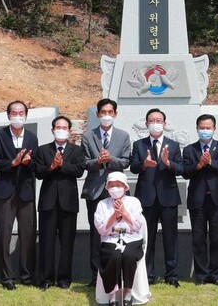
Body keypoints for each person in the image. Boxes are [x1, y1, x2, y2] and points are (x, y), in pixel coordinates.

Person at [0, 100, 39, 290]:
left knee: (28, 234)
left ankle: (27, 275)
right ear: (8, 115)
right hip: (5, 191)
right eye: (14, 113)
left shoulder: (32, 137)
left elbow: (36, 165)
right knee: (4, 234)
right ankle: (6, 277)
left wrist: (27, 162)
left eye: (21, 113)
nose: (17, 116)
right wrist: (13, 163)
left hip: (25, 192)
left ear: (26, 115)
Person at [81, 98, 132, 286]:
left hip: (116, 191)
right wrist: (98, 162)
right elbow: (84, 162)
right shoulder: (88, 136)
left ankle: (116, 273)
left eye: (110, 112)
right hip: (94, 190)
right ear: (97, 114)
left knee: (117, 232)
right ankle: (96, 277)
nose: (106, 116)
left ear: (115, 114)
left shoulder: (123, 136)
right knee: (97, 233)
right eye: (103, 112)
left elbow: (126, 161)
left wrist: (110, 159)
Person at [130, 108, 183, 287]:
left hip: (168, 197)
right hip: (146, 198)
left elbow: (181, 169)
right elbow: (133, 167)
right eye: (152, 120)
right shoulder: (139, 144)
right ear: (146, 124)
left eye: (159, 120)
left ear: (164, 124)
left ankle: (172, 276)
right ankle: (148, 275)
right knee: (147, 238)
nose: (155, 123)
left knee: (170, 238)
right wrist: (144, 164)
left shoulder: (173, 145)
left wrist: (168, 163)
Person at [35, 115, 86, 291]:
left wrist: (62, 165)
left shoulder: (77, 151)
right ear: (52, 130)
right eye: (58, 127)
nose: (61, 130)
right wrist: (51, 167)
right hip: (48, 202)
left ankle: (64, 279)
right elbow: (38, 172)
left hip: (68, 202)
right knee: (46, 242)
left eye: (65, 128)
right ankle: (46, 279)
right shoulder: (43, 150)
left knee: (67, 242)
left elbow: (79, 171)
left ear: (70, 131)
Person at [183, 114, 218, 285]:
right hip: (197, 199)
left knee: (217, 238)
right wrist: (199, 165)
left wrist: (211, 162)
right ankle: (202, 276)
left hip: (217, 199)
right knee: (198, 238)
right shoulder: (189, 149)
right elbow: (185, 171)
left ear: (214, 129)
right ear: (197, 128)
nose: (205, 131)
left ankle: (216, 275)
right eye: (202, 128)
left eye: (208, 128)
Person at [94, 172, 146, 306]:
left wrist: (124, 213)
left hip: (131, 238)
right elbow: (101, 228)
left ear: (125, 187)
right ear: (107, 187)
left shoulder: (134, 202)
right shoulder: (102, 204)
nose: (114, 188)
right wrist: (114, 216)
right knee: (114, 256)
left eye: (118, 185)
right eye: (111, 185)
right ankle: (112, 294)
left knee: (128, 255)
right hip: (111, 238)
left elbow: (137, 225)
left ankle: (127, 292)